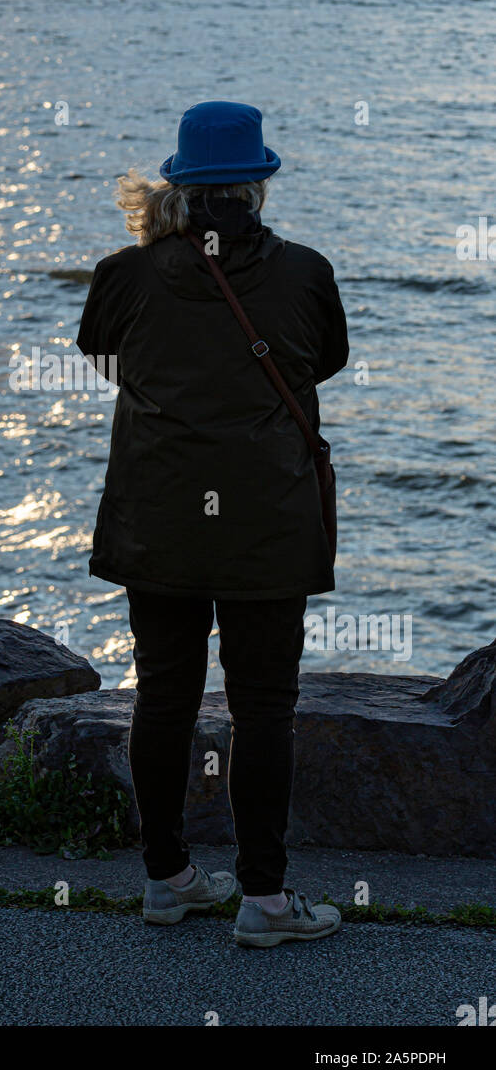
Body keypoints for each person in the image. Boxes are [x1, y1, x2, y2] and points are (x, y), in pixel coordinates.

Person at [76, 101, 349, 947]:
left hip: (160, 519)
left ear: (182, 186)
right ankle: (264, 902)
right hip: (266, 523)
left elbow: (99, 351)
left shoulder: (128, 273)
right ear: (259, 185)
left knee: (164, 695)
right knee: (266, 708)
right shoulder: (304, 272)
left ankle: (168, 881)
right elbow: (327, 360)